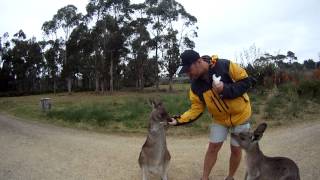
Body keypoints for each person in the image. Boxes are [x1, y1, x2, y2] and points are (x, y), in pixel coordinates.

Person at [169, 49, 254, 180]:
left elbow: (246, 82)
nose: (188, 74)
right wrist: (178, 120)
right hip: (220, 120)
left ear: (198, 62)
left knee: (236, 149)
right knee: (212, 148)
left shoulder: (225, 65)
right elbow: (196, 109)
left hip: (241, 115)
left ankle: (230, 177)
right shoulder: (195, 87)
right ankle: (205, 178)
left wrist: (225, 89)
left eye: (188, 70)